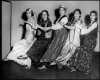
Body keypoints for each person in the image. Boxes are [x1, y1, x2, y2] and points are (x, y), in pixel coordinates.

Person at [38, 5, 68, 69]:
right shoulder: (59, 18)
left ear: (65, 11)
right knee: (53, 48)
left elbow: (58, 26)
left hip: (62, 36)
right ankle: (48, 64)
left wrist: (49, 27)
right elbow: (56, 25)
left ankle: (51, 64)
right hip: (58, 35)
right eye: (60, 10)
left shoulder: (65, 18)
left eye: (62, 10)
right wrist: (51, 26)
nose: (61, 11)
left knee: (55, 49)